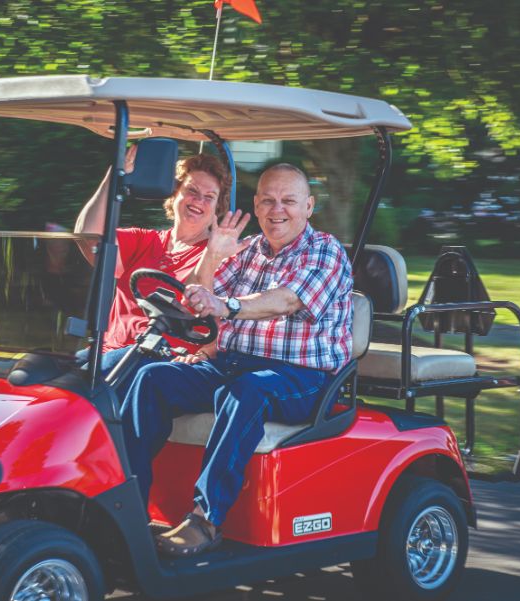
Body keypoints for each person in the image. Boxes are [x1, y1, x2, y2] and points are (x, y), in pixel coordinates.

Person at [120, 163, 353, 556]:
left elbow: (284, 300)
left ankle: (205, 520)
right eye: (267, 200)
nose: (277, 209)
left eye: (289, 201)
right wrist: (212, 255)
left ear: (309, 206)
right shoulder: (248, 250)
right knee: (151, 379)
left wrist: (225, 305)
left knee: (244, 390)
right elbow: (194, 294)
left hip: (304, 378)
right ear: (257, 206)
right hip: (233, 363)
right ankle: (128, 509)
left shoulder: (325, 251)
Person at [74, 146, 230, 382]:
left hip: (160, 358)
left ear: (217, 208)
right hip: (108, 351)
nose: (199, 200)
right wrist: (115, 176)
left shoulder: (217, 255)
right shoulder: (145, 240)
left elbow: (216, 319)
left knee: (82, 383)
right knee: (36, 371)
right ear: (174, 193)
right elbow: (89, 236)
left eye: (209, 197)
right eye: (192, 190)